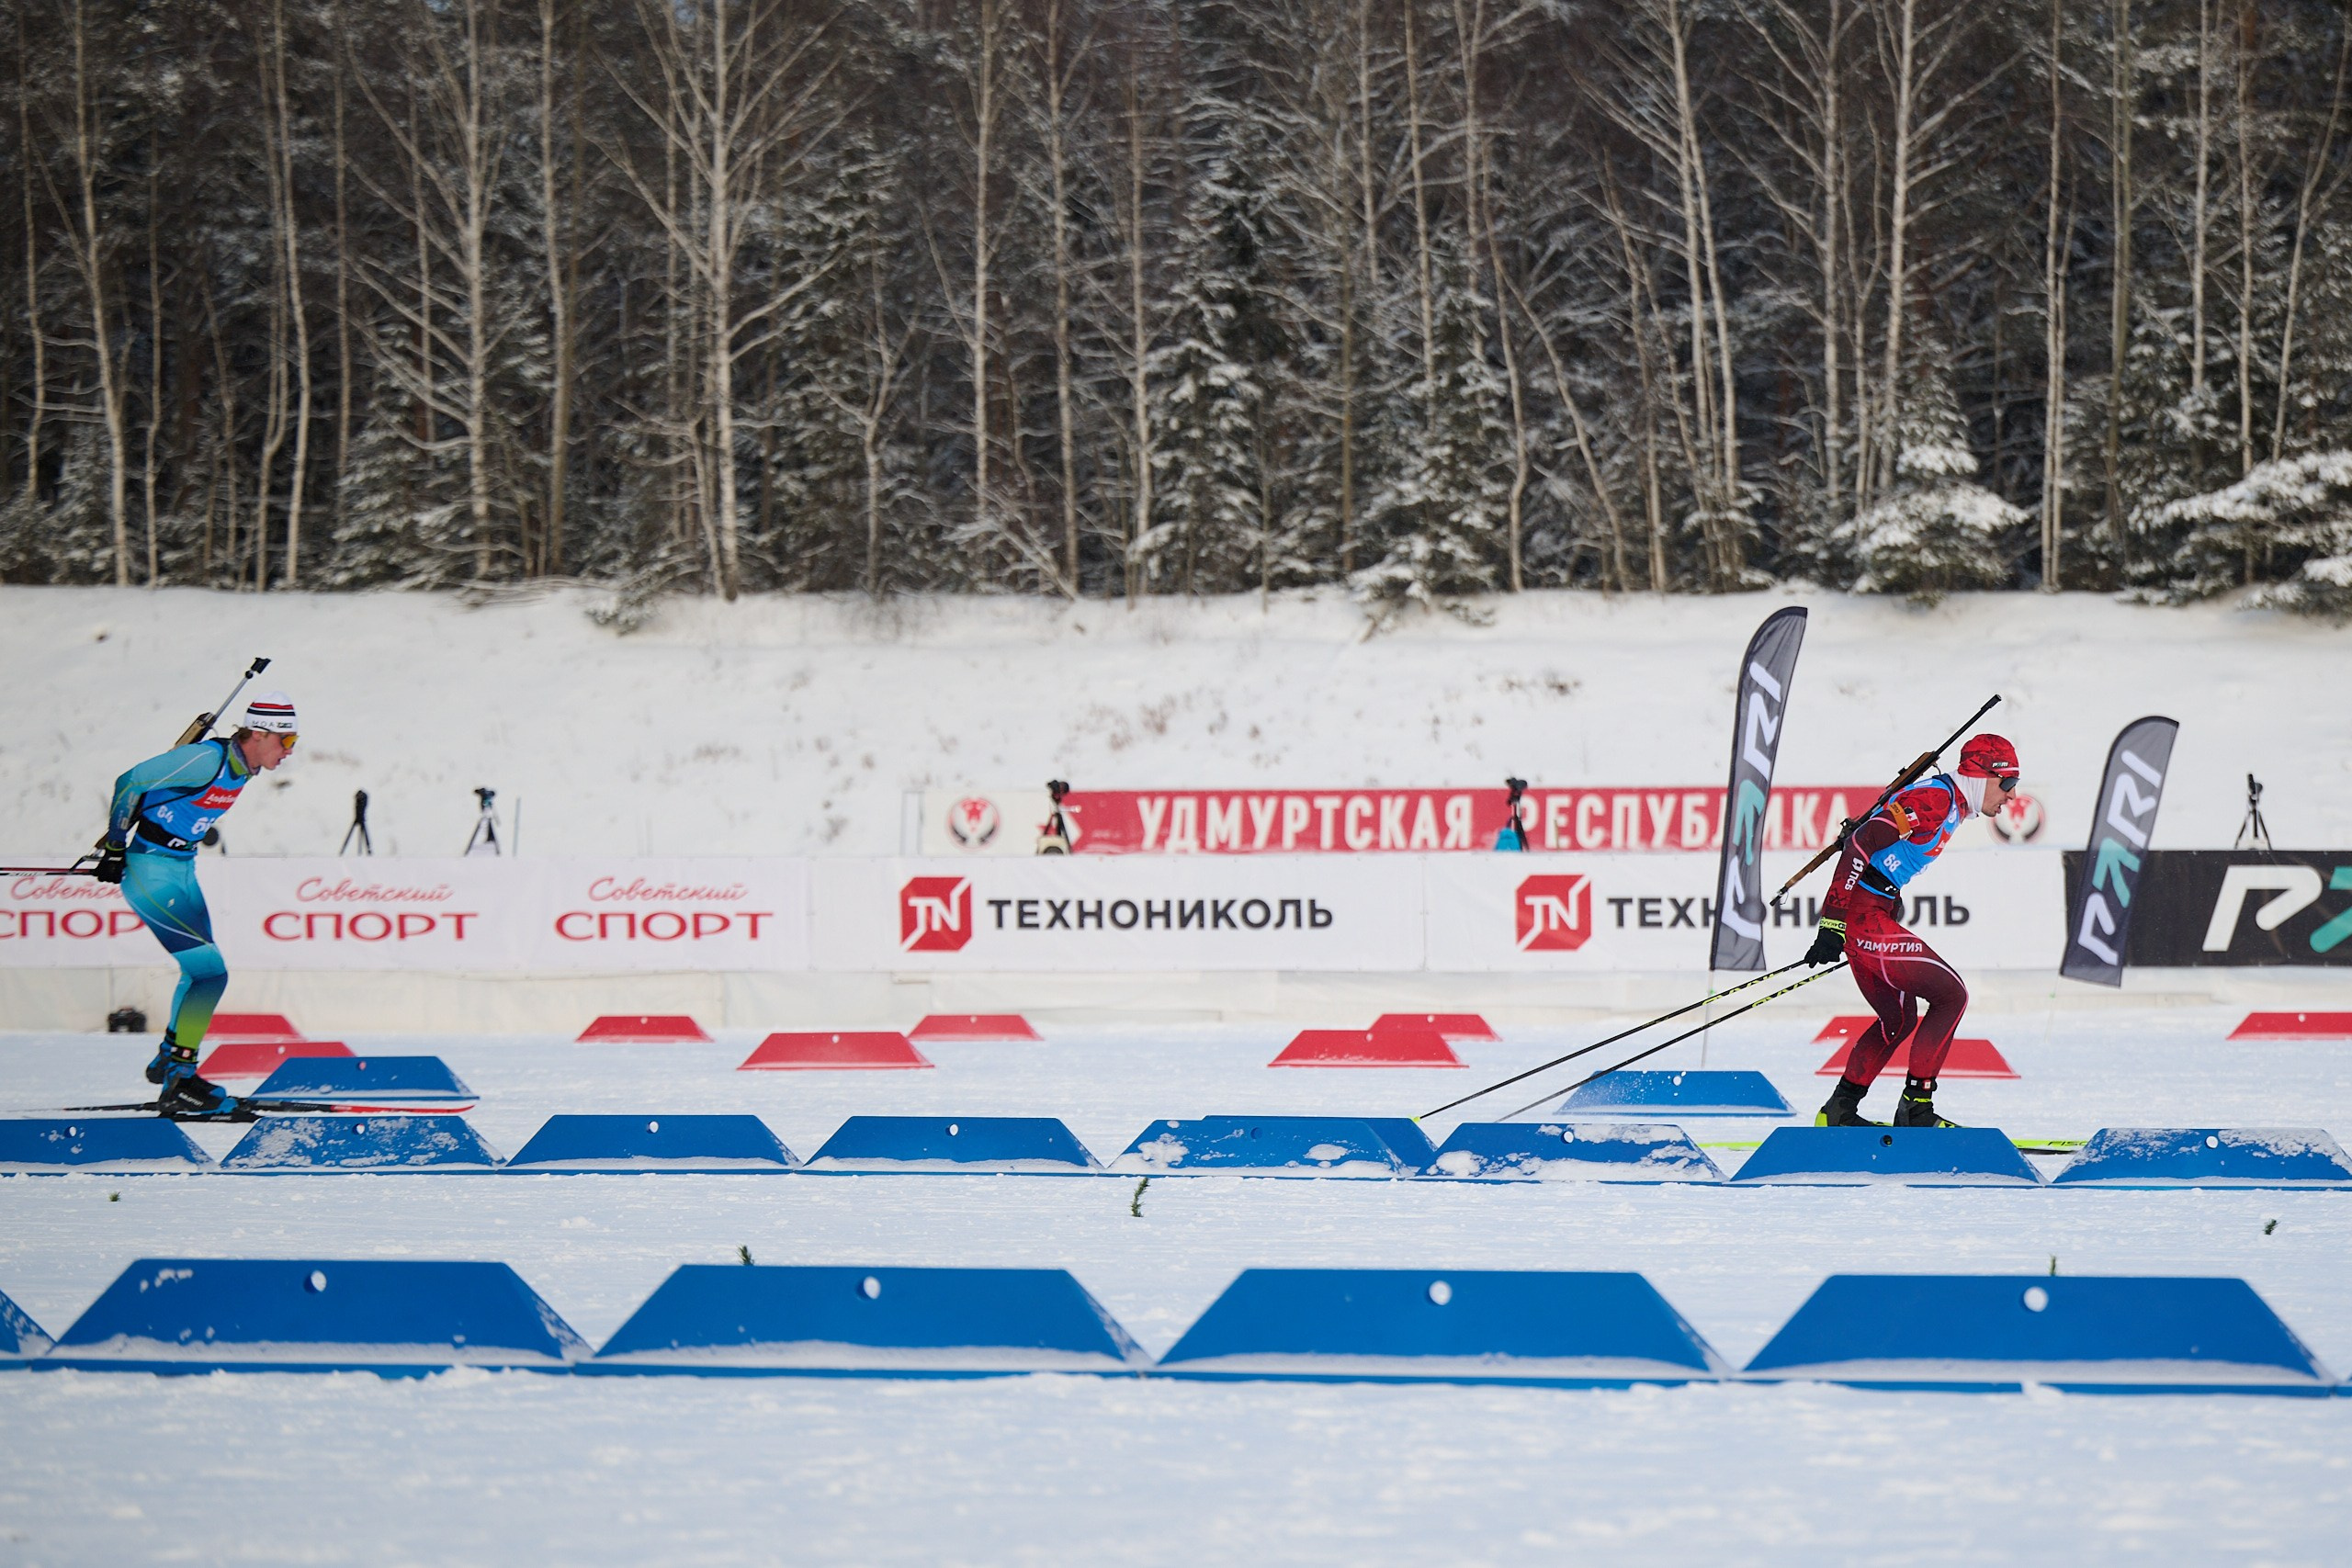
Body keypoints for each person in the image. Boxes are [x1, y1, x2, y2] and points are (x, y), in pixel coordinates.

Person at [95, 693, 300, 1117]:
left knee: (199, 972)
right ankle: (182, 1081)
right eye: (287, 740)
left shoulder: (245, 767)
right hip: (151, 872)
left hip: (181, 868)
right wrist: (115, 847)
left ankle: (171, 1060)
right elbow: (129, 781)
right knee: (211, 974)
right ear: (259, 734)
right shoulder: (209, 759)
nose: (289, 751)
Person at [1804, 733, 2021, 1129]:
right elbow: (1859, 846)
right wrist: (1832, 923)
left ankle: (1838, 1112)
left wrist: (1889, 892)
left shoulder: (1953, 803)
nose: (2010, 796)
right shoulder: (1935, 801)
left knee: (1899, 1019)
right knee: (1951, 995)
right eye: (2007, 784)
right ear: (1981, 775)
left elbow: (1883, 856)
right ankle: (1916, 1110)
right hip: (1862, 917)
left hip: (1872, 911)